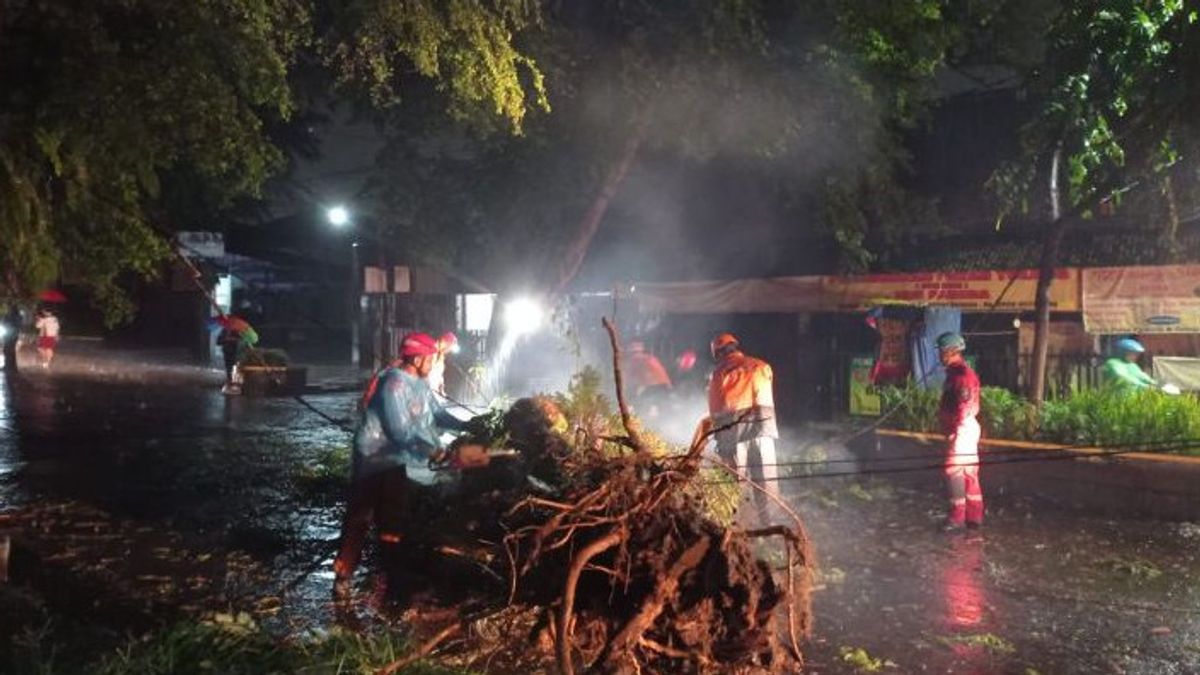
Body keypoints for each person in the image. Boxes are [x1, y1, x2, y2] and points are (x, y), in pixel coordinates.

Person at [333, 332, 468, 601]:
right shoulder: (393, 384)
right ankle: (343, 577)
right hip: (373, 459)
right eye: (429, 358)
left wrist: (467, 424)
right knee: (360, 517)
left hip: (395, 461)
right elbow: (399, 430)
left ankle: (392, 581)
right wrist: (434, 451)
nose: (433, 362)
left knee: (392, 518)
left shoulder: (420, 383)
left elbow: (437, 414)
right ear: (417, 359)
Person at [705, 332, 778, 523]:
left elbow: (715, 410)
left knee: (735, 483)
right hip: (764, 430)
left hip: (733, 434)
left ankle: (739, 526)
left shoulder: (719, 374)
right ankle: (769, 525)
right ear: (735, 347)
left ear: (718, 354)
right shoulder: (762, 366)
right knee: (765, 482)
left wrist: (718, 436)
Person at [936, 332, 983, 530]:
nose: (939, 355)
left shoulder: (962, 376)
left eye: (941, 351)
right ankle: (974, 517)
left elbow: (964, 406)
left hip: (962, 428)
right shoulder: (956, 373)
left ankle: (957, 518)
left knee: (954, 470)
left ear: (951, 351)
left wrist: (954, 431)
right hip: (966, 428)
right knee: (969, 472)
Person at [625, 340, 672, 416]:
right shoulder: (651, 358)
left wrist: (639, 388)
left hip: (652, 387)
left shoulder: (634, 360)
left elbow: (628, 378)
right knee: (661, 406)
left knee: (642, 405)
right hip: (664, 386)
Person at [2, 305, 21, 372]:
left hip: (10, 336)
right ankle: (10, 366)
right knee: (9, 351)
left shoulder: (12, 317)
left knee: (8, 351)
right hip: (12, 335)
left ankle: (9, 366)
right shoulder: (17, 317)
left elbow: (5, 323)